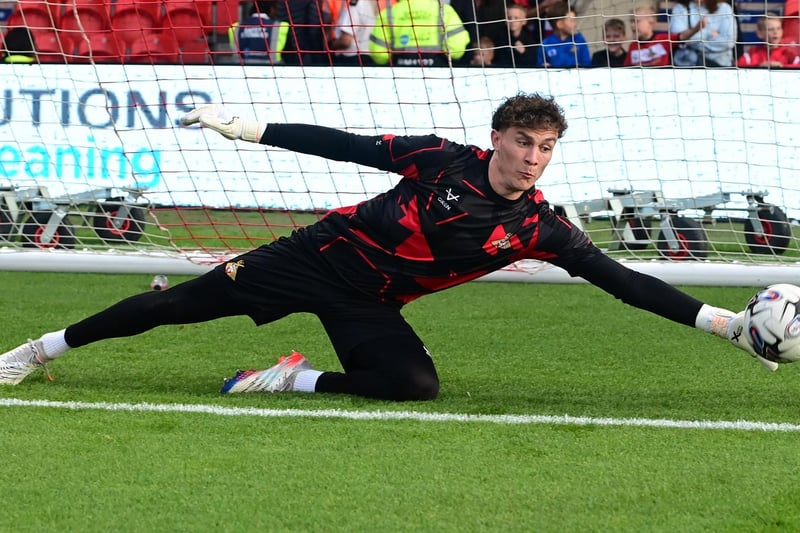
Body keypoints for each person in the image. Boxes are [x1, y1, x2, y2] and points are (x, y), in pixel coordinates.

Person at [0, 94, 775, 401]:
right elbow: (346, 144)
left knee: (413, 385)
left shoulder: (541, 226)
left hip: (369, 301)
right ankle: (38, 349)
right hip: (311, 257)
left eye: (545, 147)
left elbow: (622, 280)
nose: (533, 157)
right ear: (495, 138)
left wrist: (727, 324)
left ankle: (286, 382)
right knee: (171, 310)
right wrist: (249, 128)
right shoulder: (440, 158)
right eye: (522, 142)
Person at [369, 0, 470, 67]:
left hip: (400, 73)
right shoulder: (444, 10)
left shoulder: (388, 13)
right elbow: (457, 48)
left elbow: (379, 54)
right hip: (437, 72)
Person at [626, 2, 706, 67]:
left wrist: (696, 28)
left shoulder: (663, 40)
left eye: (636, 21)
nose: (632, 25)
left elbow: (682, 36)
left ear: (650, 22)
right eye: (631, 21)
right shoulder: (632, 46)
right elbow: (626, 68)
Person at [668, 0, 735, 67]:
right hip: (690, 66)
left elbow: (728, 42)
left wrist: (691, 37)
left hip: (721, 65)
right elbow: (677, 38)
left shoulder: (724, 8)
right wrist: (710, 33)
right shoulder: (680, 8)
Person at [536, 1, 591, 68]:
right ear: (560, 24)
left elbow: (587, 64)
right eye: (571, 21)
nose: (575, 24)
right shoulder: (545, 44)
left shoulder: (579, 39)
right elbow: (540, 66)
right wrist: (543, 66)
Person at [330, 0, 379, 66]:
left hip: (350, 60)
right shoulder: (374, 3)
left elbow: (345, 41)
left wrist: (329, 46)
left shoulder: (356, 5)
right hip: (369, 58)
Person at [489, 2, 540, 67]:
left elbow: (534, 62)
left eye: (516, 18)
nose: (512, 21)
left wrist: (524, 52)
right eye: (509, 18)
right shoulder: (498, 39)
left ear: (524, 21)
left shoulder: (530, 40)